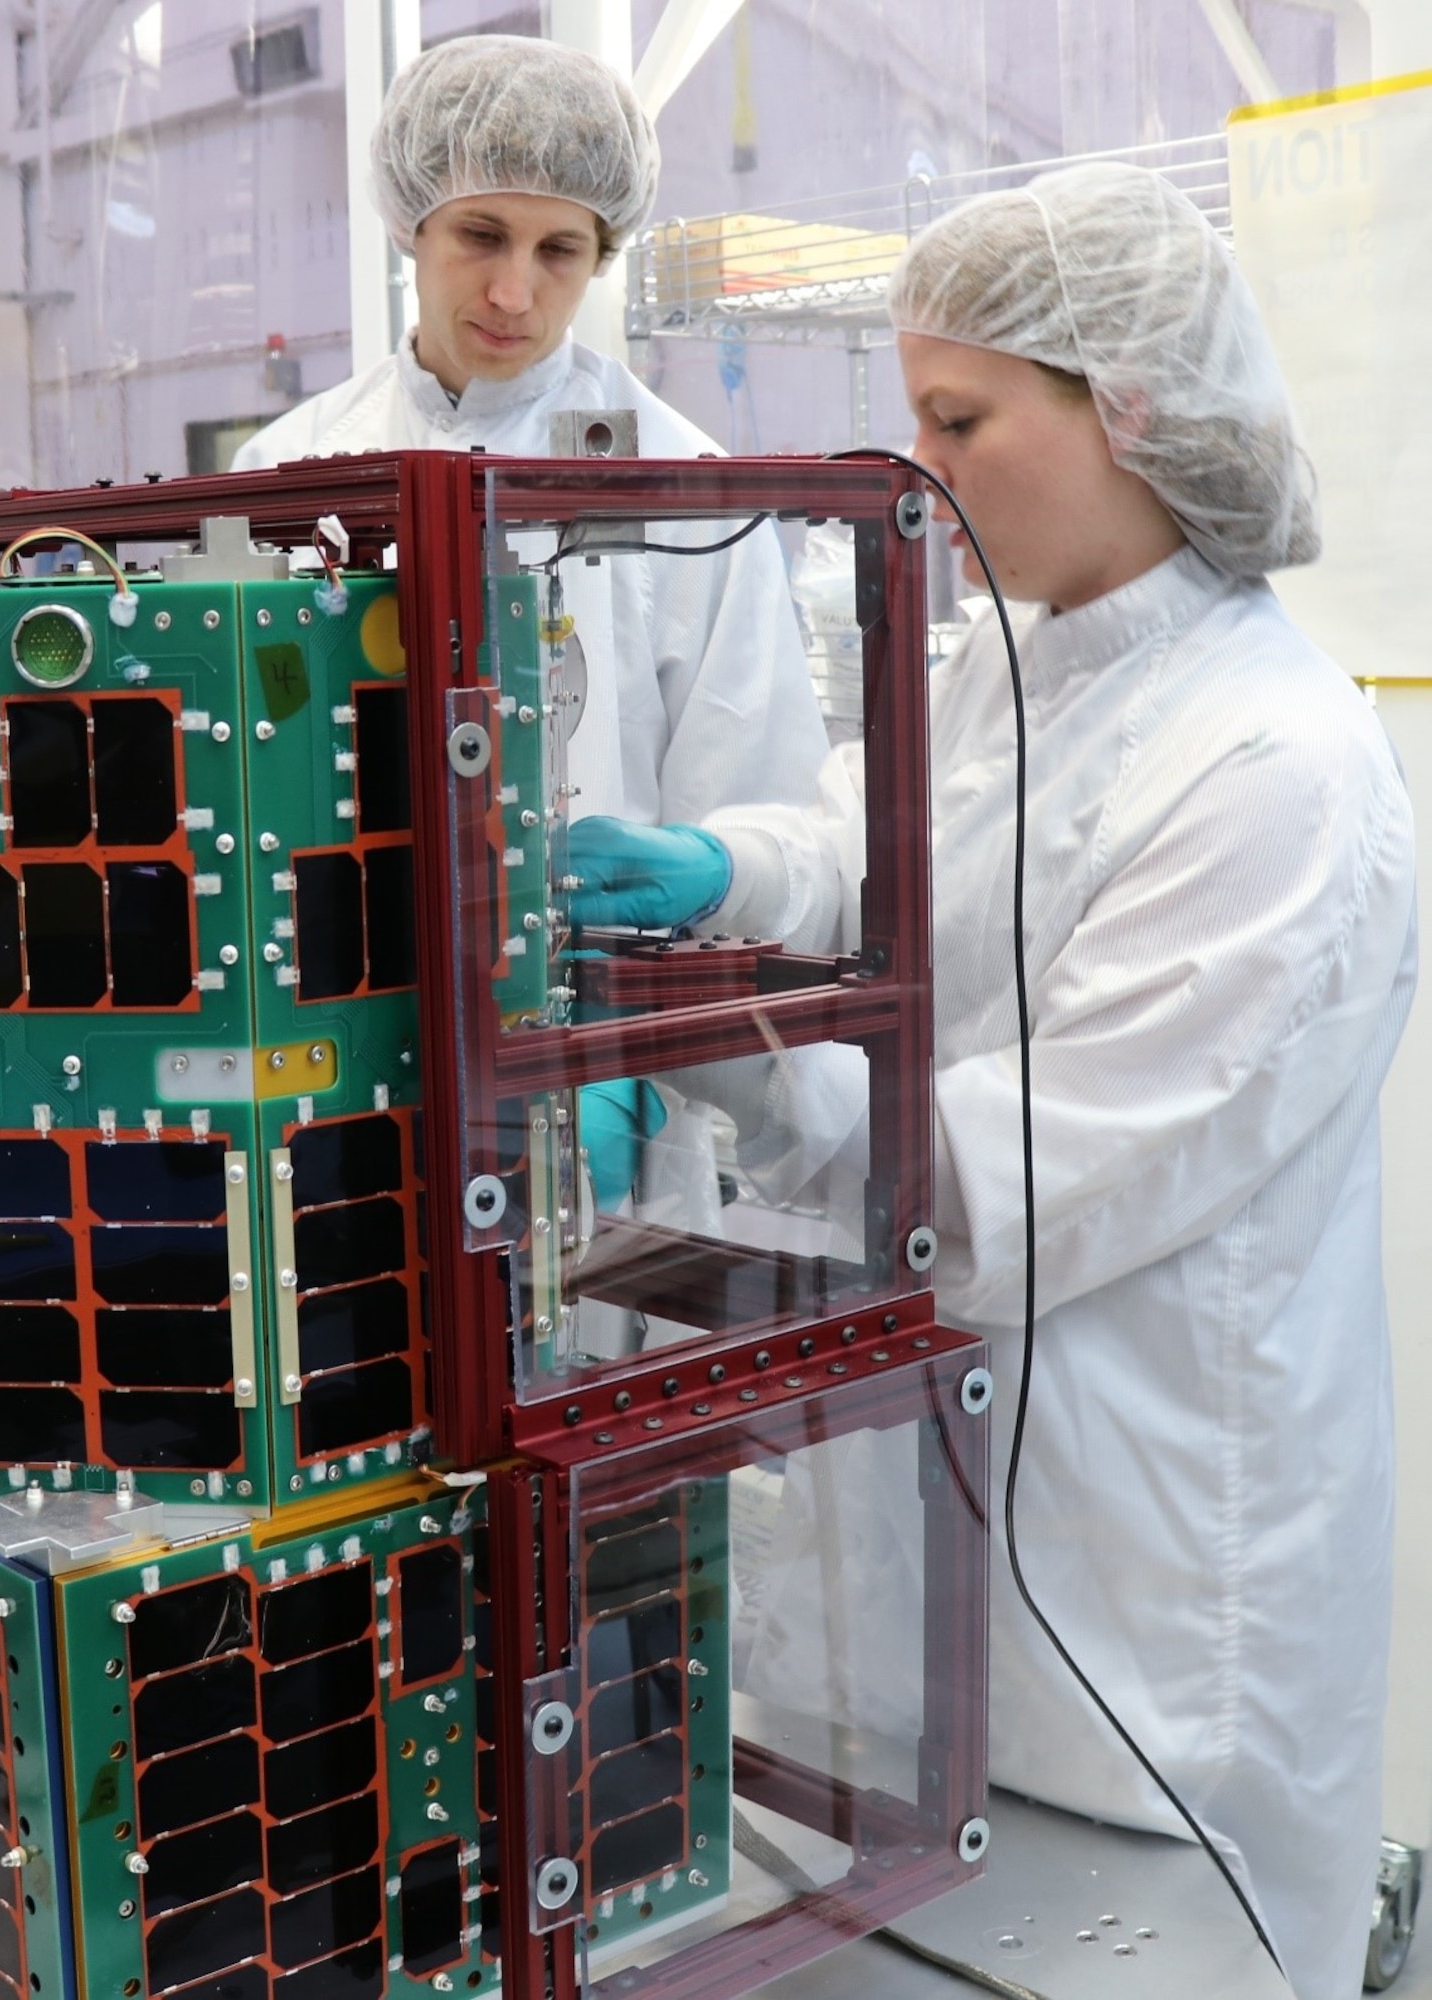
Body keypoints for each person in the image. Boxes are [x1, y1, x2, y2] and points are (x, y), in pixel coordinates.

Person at [570, 162, 1419, 2000]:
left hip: (1147, 1598)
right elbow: (895, 856)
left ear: (1126, 406)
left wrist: (715, 1051)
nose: (920, 475)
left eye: (957, 421)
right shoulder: (1013, 660)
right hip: (932, 1538)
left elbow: (1016, 1178)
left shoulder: (1279, 767)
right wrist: (728, 877)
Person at [239, 33, 828, 1228]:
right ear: (412, 224)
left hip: (602, 1092)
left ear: (601, 253)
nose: (513, 292)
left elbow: (756, 817)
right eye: (480, 237)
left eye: (558, 249)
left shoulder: (684, 485)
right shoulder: (288, 468)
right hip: (335, 1070)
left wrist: (646, 1056)